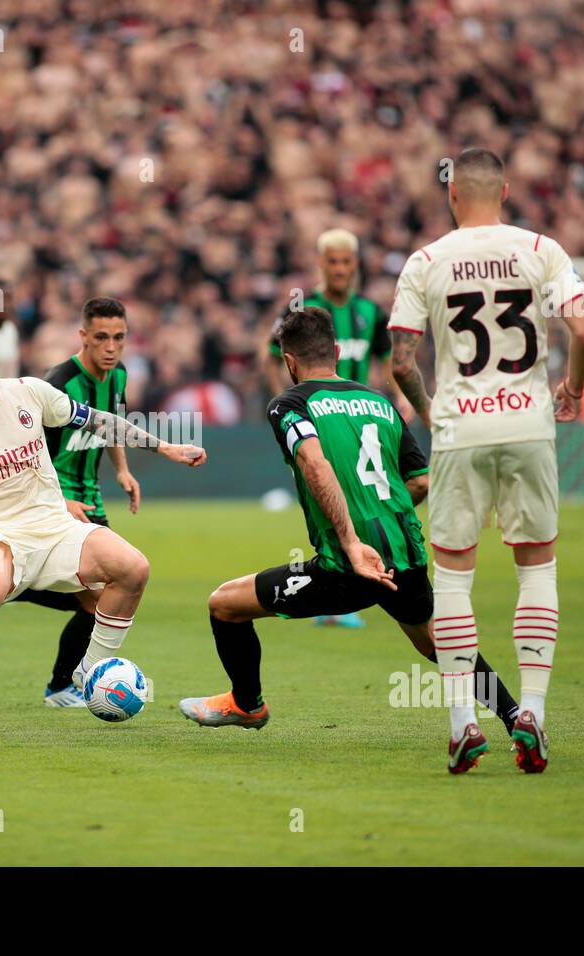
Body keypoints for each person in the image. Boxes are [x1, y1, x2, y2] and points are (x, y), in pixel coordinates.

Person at [180, 307, 521, 762]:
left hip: (346, 565)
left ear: (288, 360)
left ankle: (248, 705)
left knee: (224, 605)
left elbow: (314, 462)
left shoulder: (289, 404)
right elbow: (420, 480)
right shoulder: (380, 402)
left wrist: (350, 541)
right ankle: (515, 716)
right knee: (436, 643)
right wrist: (384, 521)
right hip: (406, 553)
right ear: (338, 353)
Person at [388, 147, 584, 773]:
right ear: (504, 190)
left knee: (452, 578)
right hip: (530, 428)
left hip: (461, 433)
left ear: (452, 193)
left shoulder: (425, 261)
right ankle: (530, 710)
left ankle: (463, 724)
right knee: (536, 567)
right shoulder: (542, 249)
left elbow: (402, 362)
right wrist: (574, 391)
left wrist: (433, 414)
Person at [0, 322, 206, 734]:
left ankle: (89, 671)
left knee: (133, 568)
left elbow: (97, 422)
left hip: (56, 527)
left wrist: (164, 446)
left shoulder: (28, 391)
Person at [11, 297, 141, 707]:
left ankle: (16, 585)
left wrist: (122, 470)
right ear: (83, 336)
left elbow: (112, 427)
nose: (110, 347)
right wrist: (61, 500)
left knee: (106, 593)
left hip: (93, 502)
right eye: (101, 337)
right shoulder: (58, 383)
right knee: (100, 594)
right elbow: (29, 454)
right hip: (58, 503)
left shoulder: (118, 375)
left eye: (118, 338)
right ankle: (64, 684)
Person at [265, 228, 393, 631]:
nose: (339, 269)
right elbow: (270, 354)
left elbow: (387, 358)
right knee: (326, 500)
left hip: (357, 424)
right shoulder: (303, 309)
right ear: (321, 264)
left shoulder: (370, 313)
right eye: (332, 261)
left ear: (355, 264)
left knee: (349, 501)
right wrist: (285, 404)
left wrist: (387, 399)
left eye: (346, 261)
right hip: (313, 426)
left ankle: (343, 587)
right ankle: (341, 590)